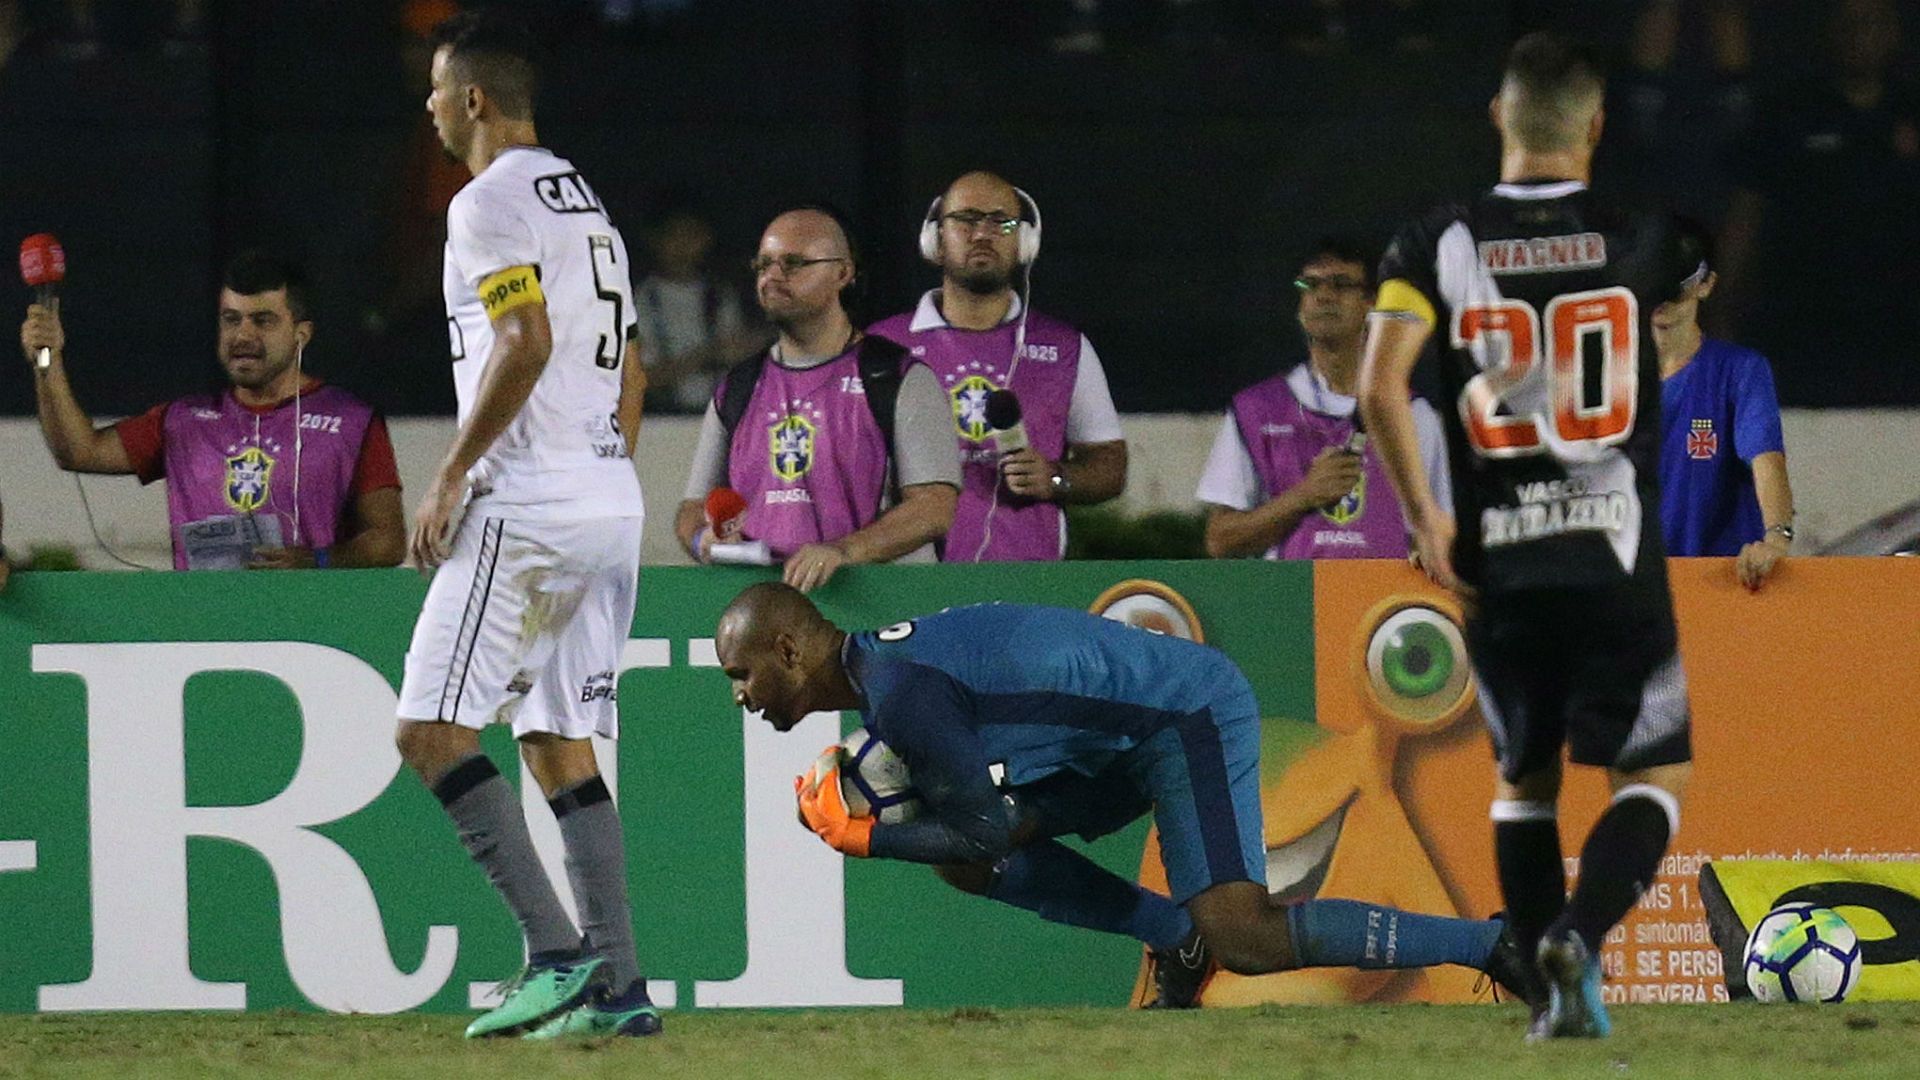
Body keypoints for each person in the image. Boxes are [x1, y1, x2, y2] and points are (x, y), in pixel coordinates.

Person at [715, 582, 1541, 1012]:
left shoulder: (898, 698)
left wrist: (863, 837)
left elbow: (978, 828)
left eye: (740, 674)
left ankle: (1489, 945)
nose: (739, 696)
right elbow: (978, 830)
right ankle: (1173, 937)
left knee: (1246, 939)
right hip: (1100, 736)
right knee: (972, 860)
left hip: (1182, 715)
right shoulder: (884, 682)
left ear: (788, 648)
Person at [1359, 33, 1695, 1041]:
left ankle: (1552, 996)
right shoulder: (1643, 236)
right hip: (1614, 552)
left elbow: (1379, 384)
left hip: (1498, 559)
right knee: (1655, 777)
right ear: (1596, 127)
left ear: (1500, 118)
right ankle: (1580, 943)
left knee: (1524, 782)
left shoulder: (1435, 241)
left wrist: (1428, 518)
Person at [395, 11, 657, 1041]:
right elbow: (627, 367)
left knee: (428, 730)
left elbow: (525, 339)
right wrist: (595, 475)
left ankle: (555, 955)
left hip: (529, 502)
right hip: (604, 501)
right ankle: (621, 994)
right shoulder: (587, 205)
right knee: (558, 741)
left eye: (432, 89)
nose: (424, 106)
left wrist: (452, 475)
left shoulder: (485, 204)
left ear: (472, 99)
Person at [19, 251, 404, 570]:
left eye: (263, 321)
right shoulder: (183, 421)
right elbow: (78, 450)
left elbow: (388, 542)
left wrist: (316, 560)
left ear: (301, 334)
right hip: (202, 631)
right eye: (231, 320)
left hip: (310, 631)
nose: (243, 336)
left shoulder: (352, 421)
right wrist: (47, 364)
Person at [674, 205, 959, 592]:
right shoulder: (738, 387)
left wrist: (842, 552)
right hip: (768, 615)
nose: (773, 276)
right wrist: (701, 540)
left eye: (793, 264)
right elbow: (693, 509)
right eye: (764, 264)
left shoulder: (896, 376)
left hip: (883, 613)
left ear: (844, 273)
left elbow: (933, 507)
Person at [867, 171, 1126, 561]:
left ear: (1024, 242)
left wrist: (1056, 478)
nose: (983, 233)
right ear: (935, 237)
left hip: (1028, 582)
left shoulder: (1064, 347)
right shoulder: (881, 346)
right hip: (908, 579)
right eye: (967, 219)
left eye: (1000, 221)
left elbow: (1110, 466)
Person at [1197, 237, 1448, 560]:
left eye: (1341, 284)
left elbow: (1439, 535)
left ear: (1373, 302)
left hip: (1381, 604)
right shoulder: (1257, 410)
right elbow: (1220, 541)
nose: (1323, 295)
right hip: (1291, 604)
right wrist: (1304, 495)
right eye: (1310, 284)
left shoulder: (1413, 415)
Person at [1655, 221, 1794, 590]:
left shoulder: (1739, 371)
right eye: (1654, 288)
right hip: (1640, 593)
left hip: (1721, 587)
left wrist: (1776, 536)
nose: (1665, 302)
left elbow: (1767, 459)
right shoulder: (1609, 378)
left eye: (1678, 287)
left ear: (1706, 284)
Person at [632, 207, 764, 412]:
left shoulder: (719, 296)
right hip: (659, 419)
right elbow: (639, 378)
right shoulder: (641, 300)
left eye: (692, 235)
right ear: (654, 239)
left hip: (715, 416)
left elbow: (735, 355)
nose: (682, 246)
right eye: (673, 235)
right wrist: (707, 354)